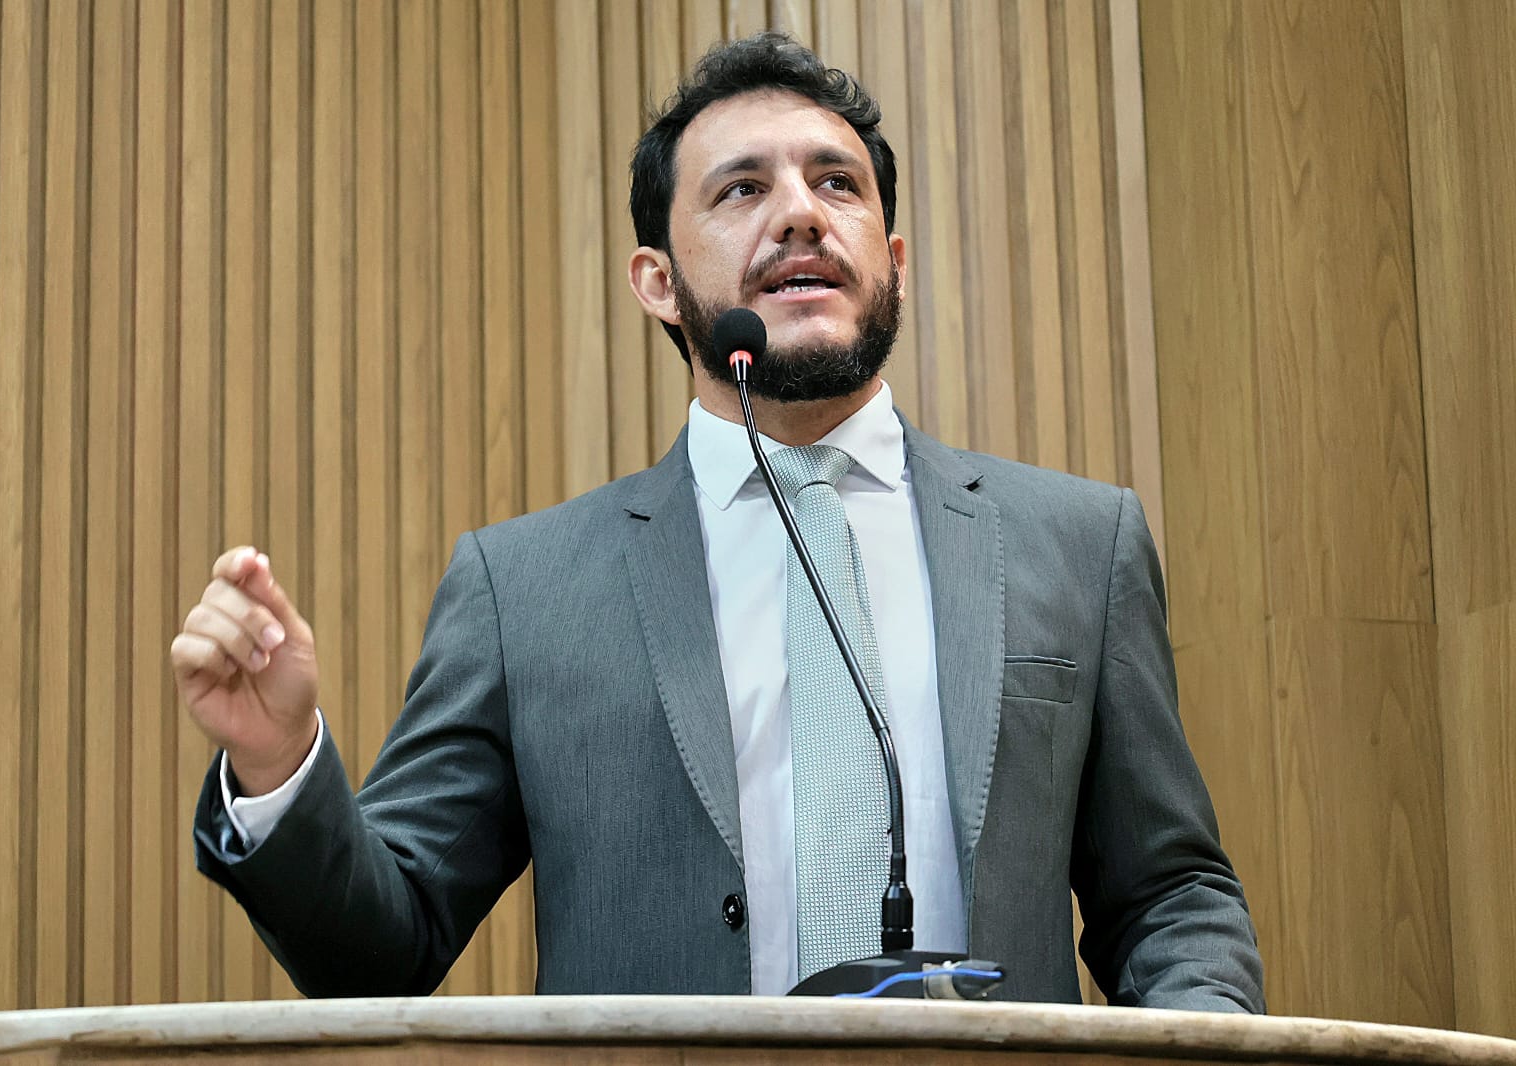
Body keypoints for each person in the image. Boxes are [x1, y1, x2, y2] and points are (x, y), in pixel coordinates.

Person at [174, 32, 1264, 1009]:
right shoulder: (525, 591)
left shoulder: (1077, 545)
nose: (800, 211)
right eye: (742, 189)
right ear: (657, 282)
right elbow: (381, 953)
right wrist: (280, 766)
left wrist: (1208, 1030)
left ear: (892, 263)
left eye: (836, 183)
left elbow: (1168, 893)